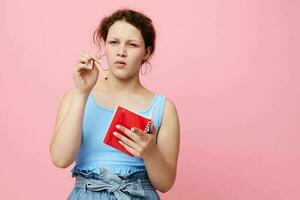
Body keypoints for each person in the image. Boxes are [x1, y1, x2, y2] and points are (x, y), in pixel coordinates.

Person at [49, 8, 180, 200]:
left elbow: (165, 183)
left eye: (132, 44)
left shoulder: (163, 108)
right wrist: (82, 92)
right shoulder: (76, 96)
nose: (121, 52)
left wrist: (150, 152)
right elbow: (60, 159)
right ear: (105, 46)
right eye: (113, 42)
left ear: (147, 52)